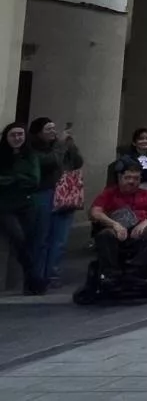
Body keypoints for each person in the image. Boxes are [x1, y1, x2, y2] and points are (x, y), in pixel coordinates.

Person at [88, 158, 147, 284]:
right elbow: (95, 212)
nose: (132, 182)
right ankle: (112, 274)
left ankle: (135, 271)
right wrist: (114, 225)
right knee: (105, 235)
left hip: (140, 232)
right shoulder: (109, 194)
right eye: (128, 178)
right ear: (120, 177)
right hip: (116, 231)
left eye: (136, 178)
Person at [28, 118, 83, 290]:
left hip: (65, 194)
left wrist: (71, 145)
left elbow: (77, 162)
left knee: (60, 239)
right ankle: (39, 275)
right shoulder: (33, 149)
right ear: (38, 132)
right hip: (44, 193)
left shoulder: (60, 146)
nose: (53, 132)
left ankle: (53, 274)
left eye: (54, 128)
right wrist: (61, 145)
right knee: (42, 238)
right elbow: (49, 161)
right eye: (48, 129)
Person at [0, 122, 43, 293]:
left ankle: (30, 281)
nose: (17, 138)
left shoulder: (30, 156)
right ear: (6, 137)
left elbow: (34, 180)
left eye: (20, 135)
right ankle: (33, 277)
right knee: (18, 238)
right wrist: (17, 179)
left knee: (29, 240)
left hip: (27, 204)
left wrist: (11, 179)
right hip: (5, 206)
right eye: (13, 135)